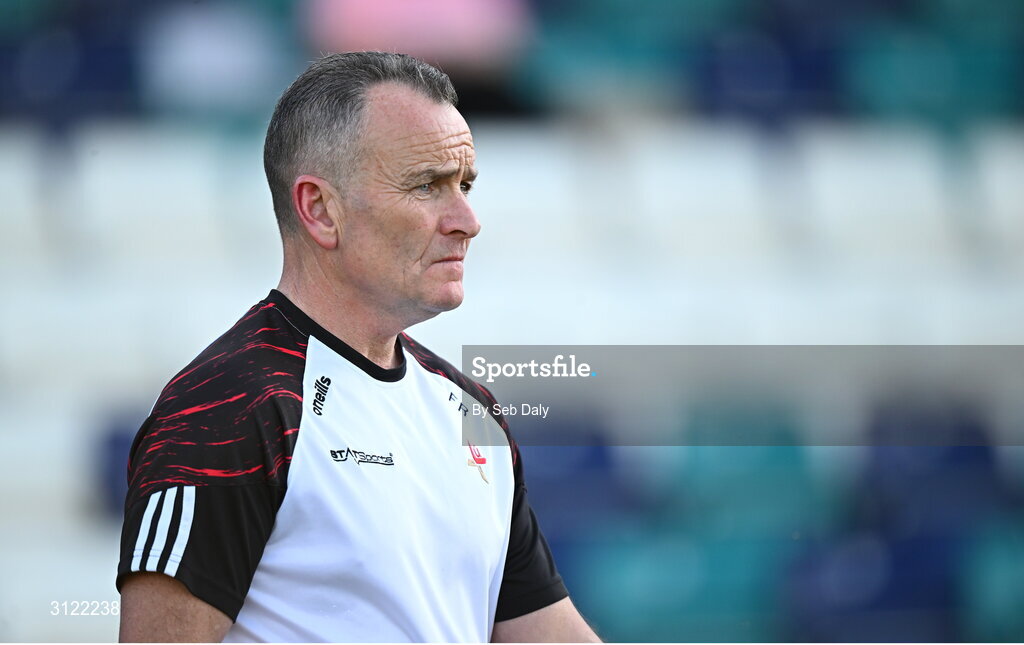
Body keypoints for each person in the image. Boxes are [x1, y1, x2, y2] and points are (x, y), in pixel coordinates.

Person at [116, 51, 600, 643]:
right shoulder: (226, 406)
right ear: (320, 209)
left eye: (465, 185)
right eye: (427, 185)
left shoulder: (471, 411)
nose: (468, 220)